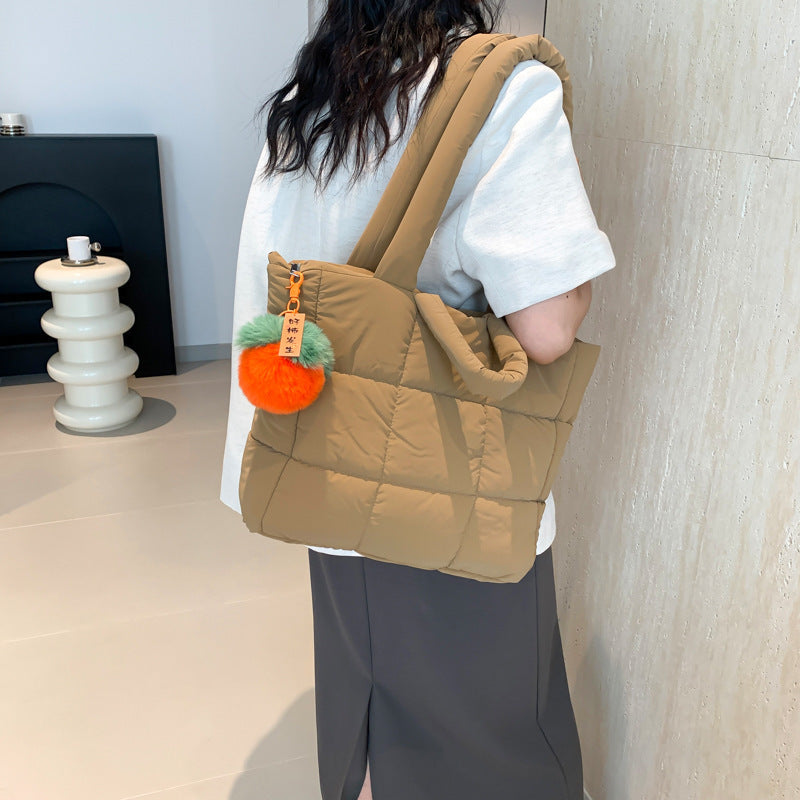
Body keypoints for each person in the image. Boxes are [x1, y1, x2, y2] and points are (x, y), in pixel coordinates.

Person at [220, 2, 616, 798]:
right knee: (492, 745)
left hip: (321, 464)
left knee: (368, 706)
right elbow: (546, 329)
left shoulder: (312, 94)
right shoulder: (501, 86)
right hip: (442, 480)